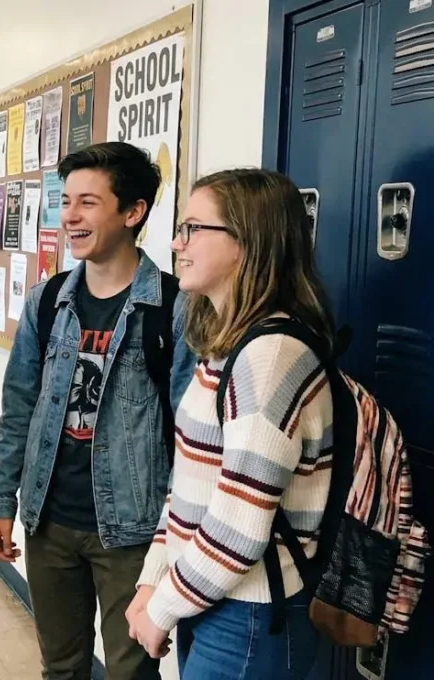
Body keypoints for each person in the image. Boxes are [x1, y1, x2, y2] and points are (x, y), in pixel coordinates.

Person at [0, 142, 196, 680]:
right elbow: (19, 408)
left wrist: (174, 533)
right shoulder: (48, 299)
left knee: (131, 670)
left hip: (131, 528)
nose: (70, 217)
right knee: (61, 668)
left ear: (133, 212)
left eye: (88, 203)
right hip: (49, 518)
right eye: (66, 202)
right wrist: (1, 498)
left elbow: (191, 433)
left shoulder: (176, 308)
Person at [125, 169, 334, 679]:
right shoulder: (226, 346)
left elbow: (239, 529)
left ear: (247, 242)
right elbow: (189, 481)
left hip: (250, 614)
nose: (177, 242)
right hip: (212, 600)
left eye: (194, 228)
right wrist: (153, 580)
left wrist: (163, 608)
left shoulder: (269, 359)